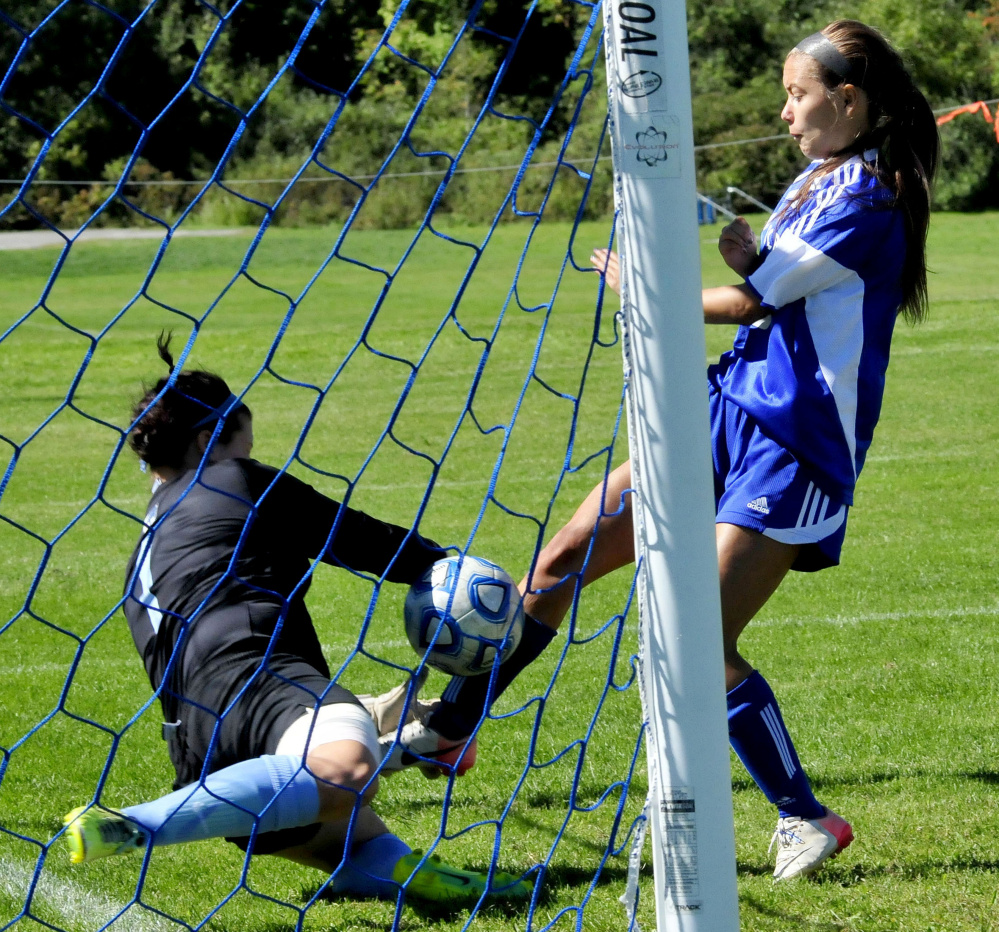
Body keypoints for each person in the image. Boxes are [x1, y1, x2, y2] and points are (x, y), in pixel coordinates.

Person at [390, 20, 939, 881]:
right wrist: (753, 256)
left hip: (794, 446)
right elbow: (779, 289)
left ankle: (806, 818)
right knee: (563, 556)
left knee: (694, 640)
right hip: (723, 408)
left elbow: (748, 303)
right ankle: (453, 728)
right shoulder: (817, 177)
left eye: (798, 96)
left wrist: (646, 282)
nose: (787, 113)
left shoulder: (872, 198)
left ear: (848, 98)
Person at [62, 335, 530, 906]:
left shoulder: (146, 547)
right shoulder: (236, 481)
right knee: (348, 771)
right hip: (261, 680)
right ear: (211, 440)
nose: (251, 458)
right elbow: (364, 541)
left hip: (200, 752)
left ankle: (416, 770)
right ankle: (134, 824)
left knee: (355, 839)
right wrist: (461, 576)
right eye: (245, 446)